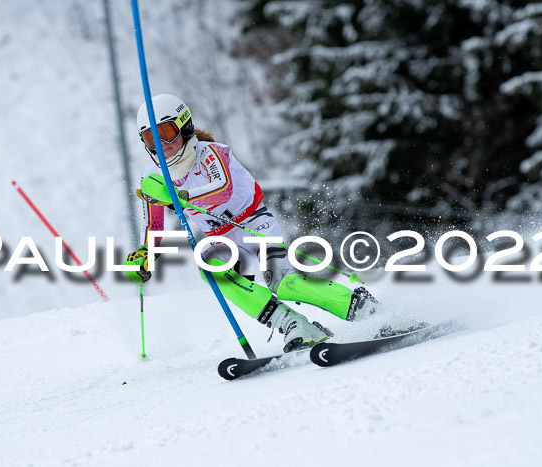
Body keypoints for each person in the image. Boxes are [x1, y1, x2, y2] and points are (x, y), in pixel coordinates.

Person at [125, 94, 379, 352]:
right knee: (211, 271)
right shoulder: (153, 179)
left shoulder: (211, 153)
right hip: (219, 238)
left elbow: (222, 190)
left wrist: (181, 197)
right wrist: (146, 255)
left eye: (167, 132)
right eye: (151, 137)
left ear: (185, 126)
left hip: (252, 223)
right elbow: (153, 228)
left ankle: (358, 305)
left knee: (285, 283)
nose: (162, 143)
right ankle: (294, 324)